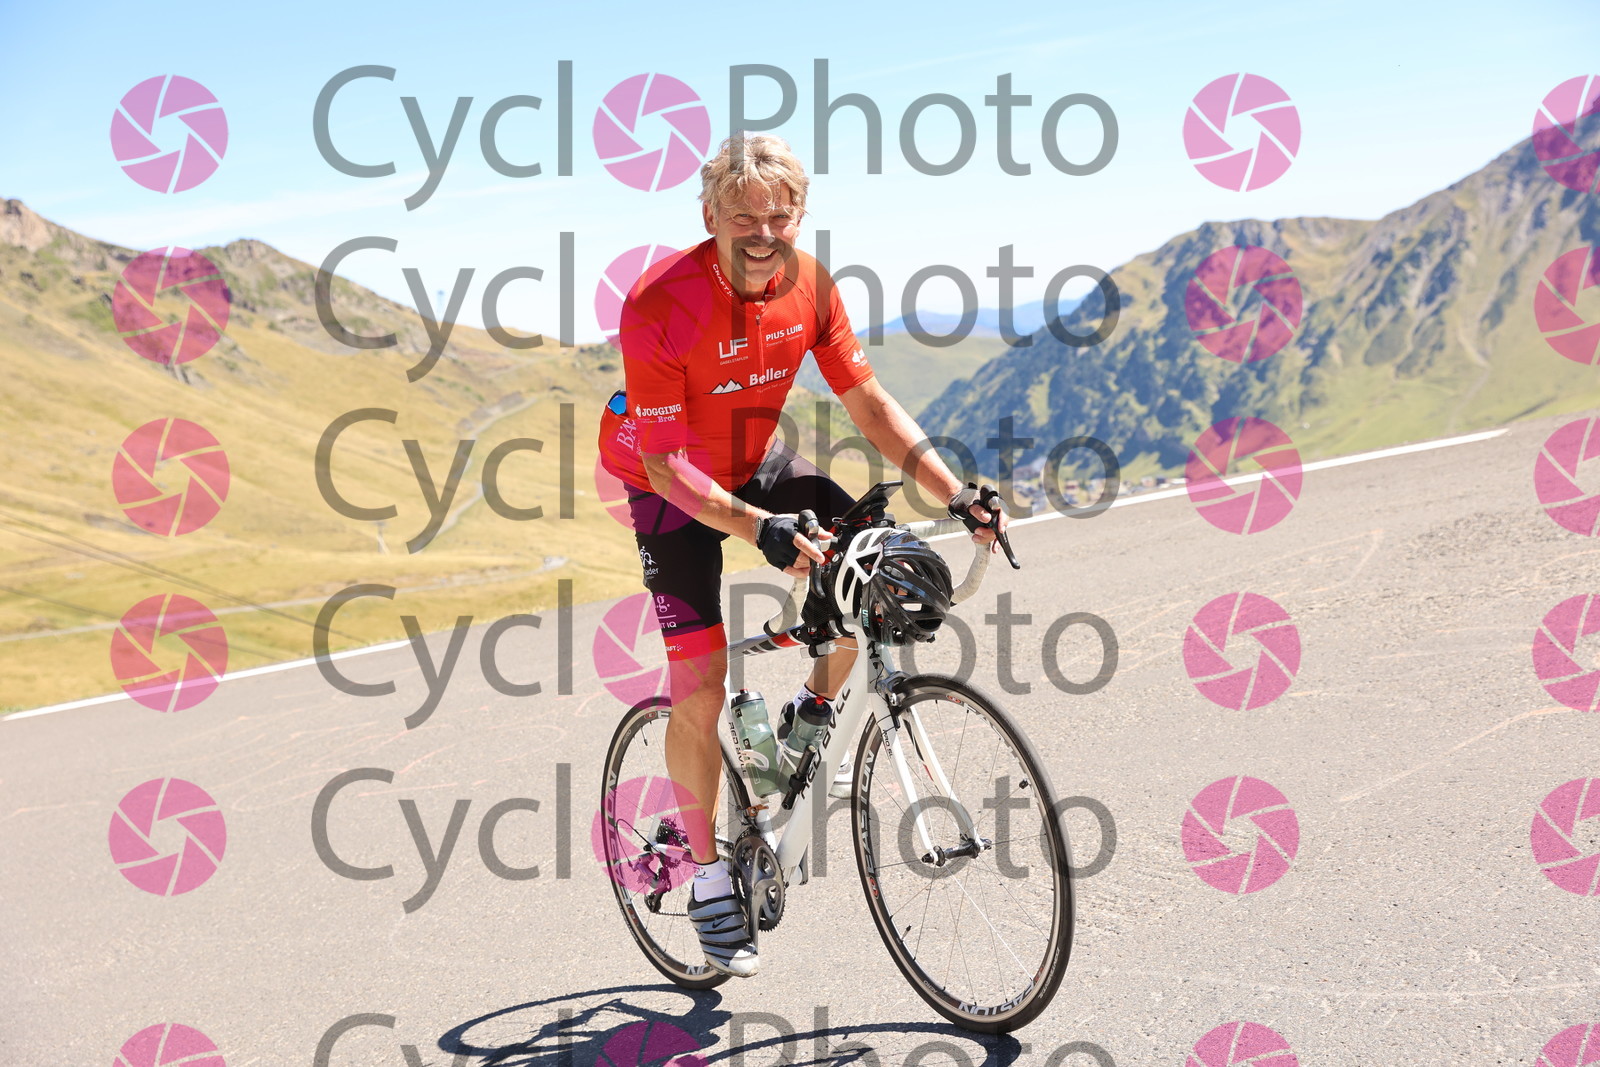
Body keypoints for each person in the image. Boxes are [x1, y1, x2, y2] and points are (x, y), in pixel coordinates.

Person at [597, 133, 1007, 978]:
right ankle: (708, 874)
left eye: (780, 217)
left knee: (871, 574)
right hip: (668, 485)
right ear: (708, 216)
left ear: (800, 216)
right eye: (742, 216)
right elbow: (666, 465)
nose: (763, 233)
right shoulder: (658, 303)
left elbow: (868, 399)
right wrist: (759, 529)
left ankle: (805, 721)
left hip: (752, 459)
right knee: (701, 679)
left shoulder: (811, 286)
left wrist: (954, 492)